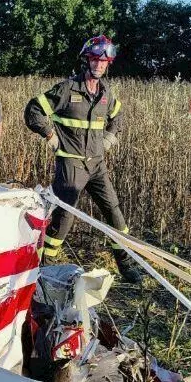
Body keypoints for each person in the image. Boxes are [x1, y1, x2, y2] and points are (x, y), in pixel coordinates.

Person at [24, 35, 144, 284]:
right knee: (64, 218)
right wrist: (49, 136)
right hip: (71, 164)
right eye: (95, 60)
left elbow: (117, 118)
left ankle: (125, 264)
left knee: (114, 213)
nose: (99, 65)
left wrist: (109, 140)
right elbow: (33, 110)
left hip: (97, 165)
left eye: (104, 61)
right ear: (86, 60)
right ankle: (43, 268)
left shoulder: (105, 93)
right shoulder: (67, 89)